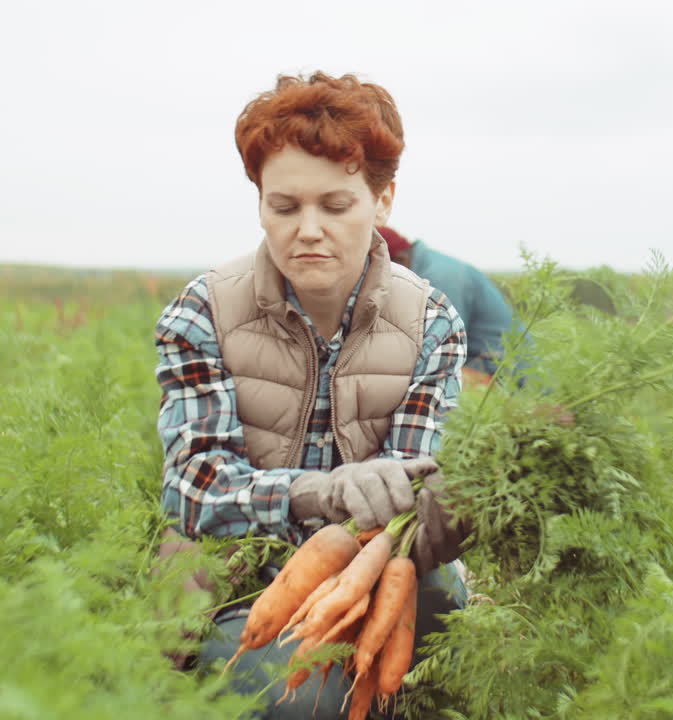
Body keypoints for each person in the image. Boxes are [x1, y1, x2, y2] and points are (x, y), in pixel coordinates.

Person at [152, 71, 470, 719]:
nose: (308, 229)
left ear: (382, 201)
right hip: (237, 576)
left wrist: (453, 508)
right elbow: (194, 490)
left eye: (336, 204)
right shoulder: (202, 312)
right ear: (261, 203)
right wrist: (316, 492)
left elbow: (414, 496)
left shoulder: (432, 322)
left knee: (443, 640)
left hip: (376, 573)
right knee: (306, 700)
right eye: (285, 205)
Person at [377, 226, 515, 378]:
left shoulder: (437, 279)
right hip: (481, 365)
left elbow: (436, 354)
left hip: (509, 378)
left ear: (400, 260)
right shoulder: (425, 267)